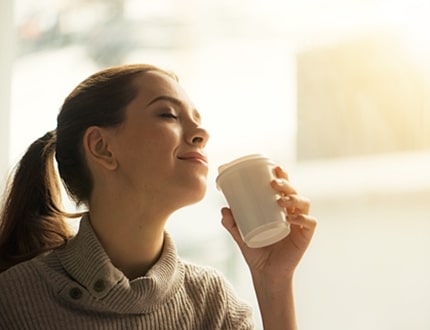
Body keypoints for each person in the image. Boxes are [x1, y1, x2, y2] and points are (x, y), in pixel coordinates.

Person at [0, 64, 317, 330]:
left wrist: (273, 281)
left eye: (196, 119)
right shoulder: (13, 301)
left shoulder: (211, 302)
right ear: (101, 147)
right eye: (168, 114)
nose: (201, 133)